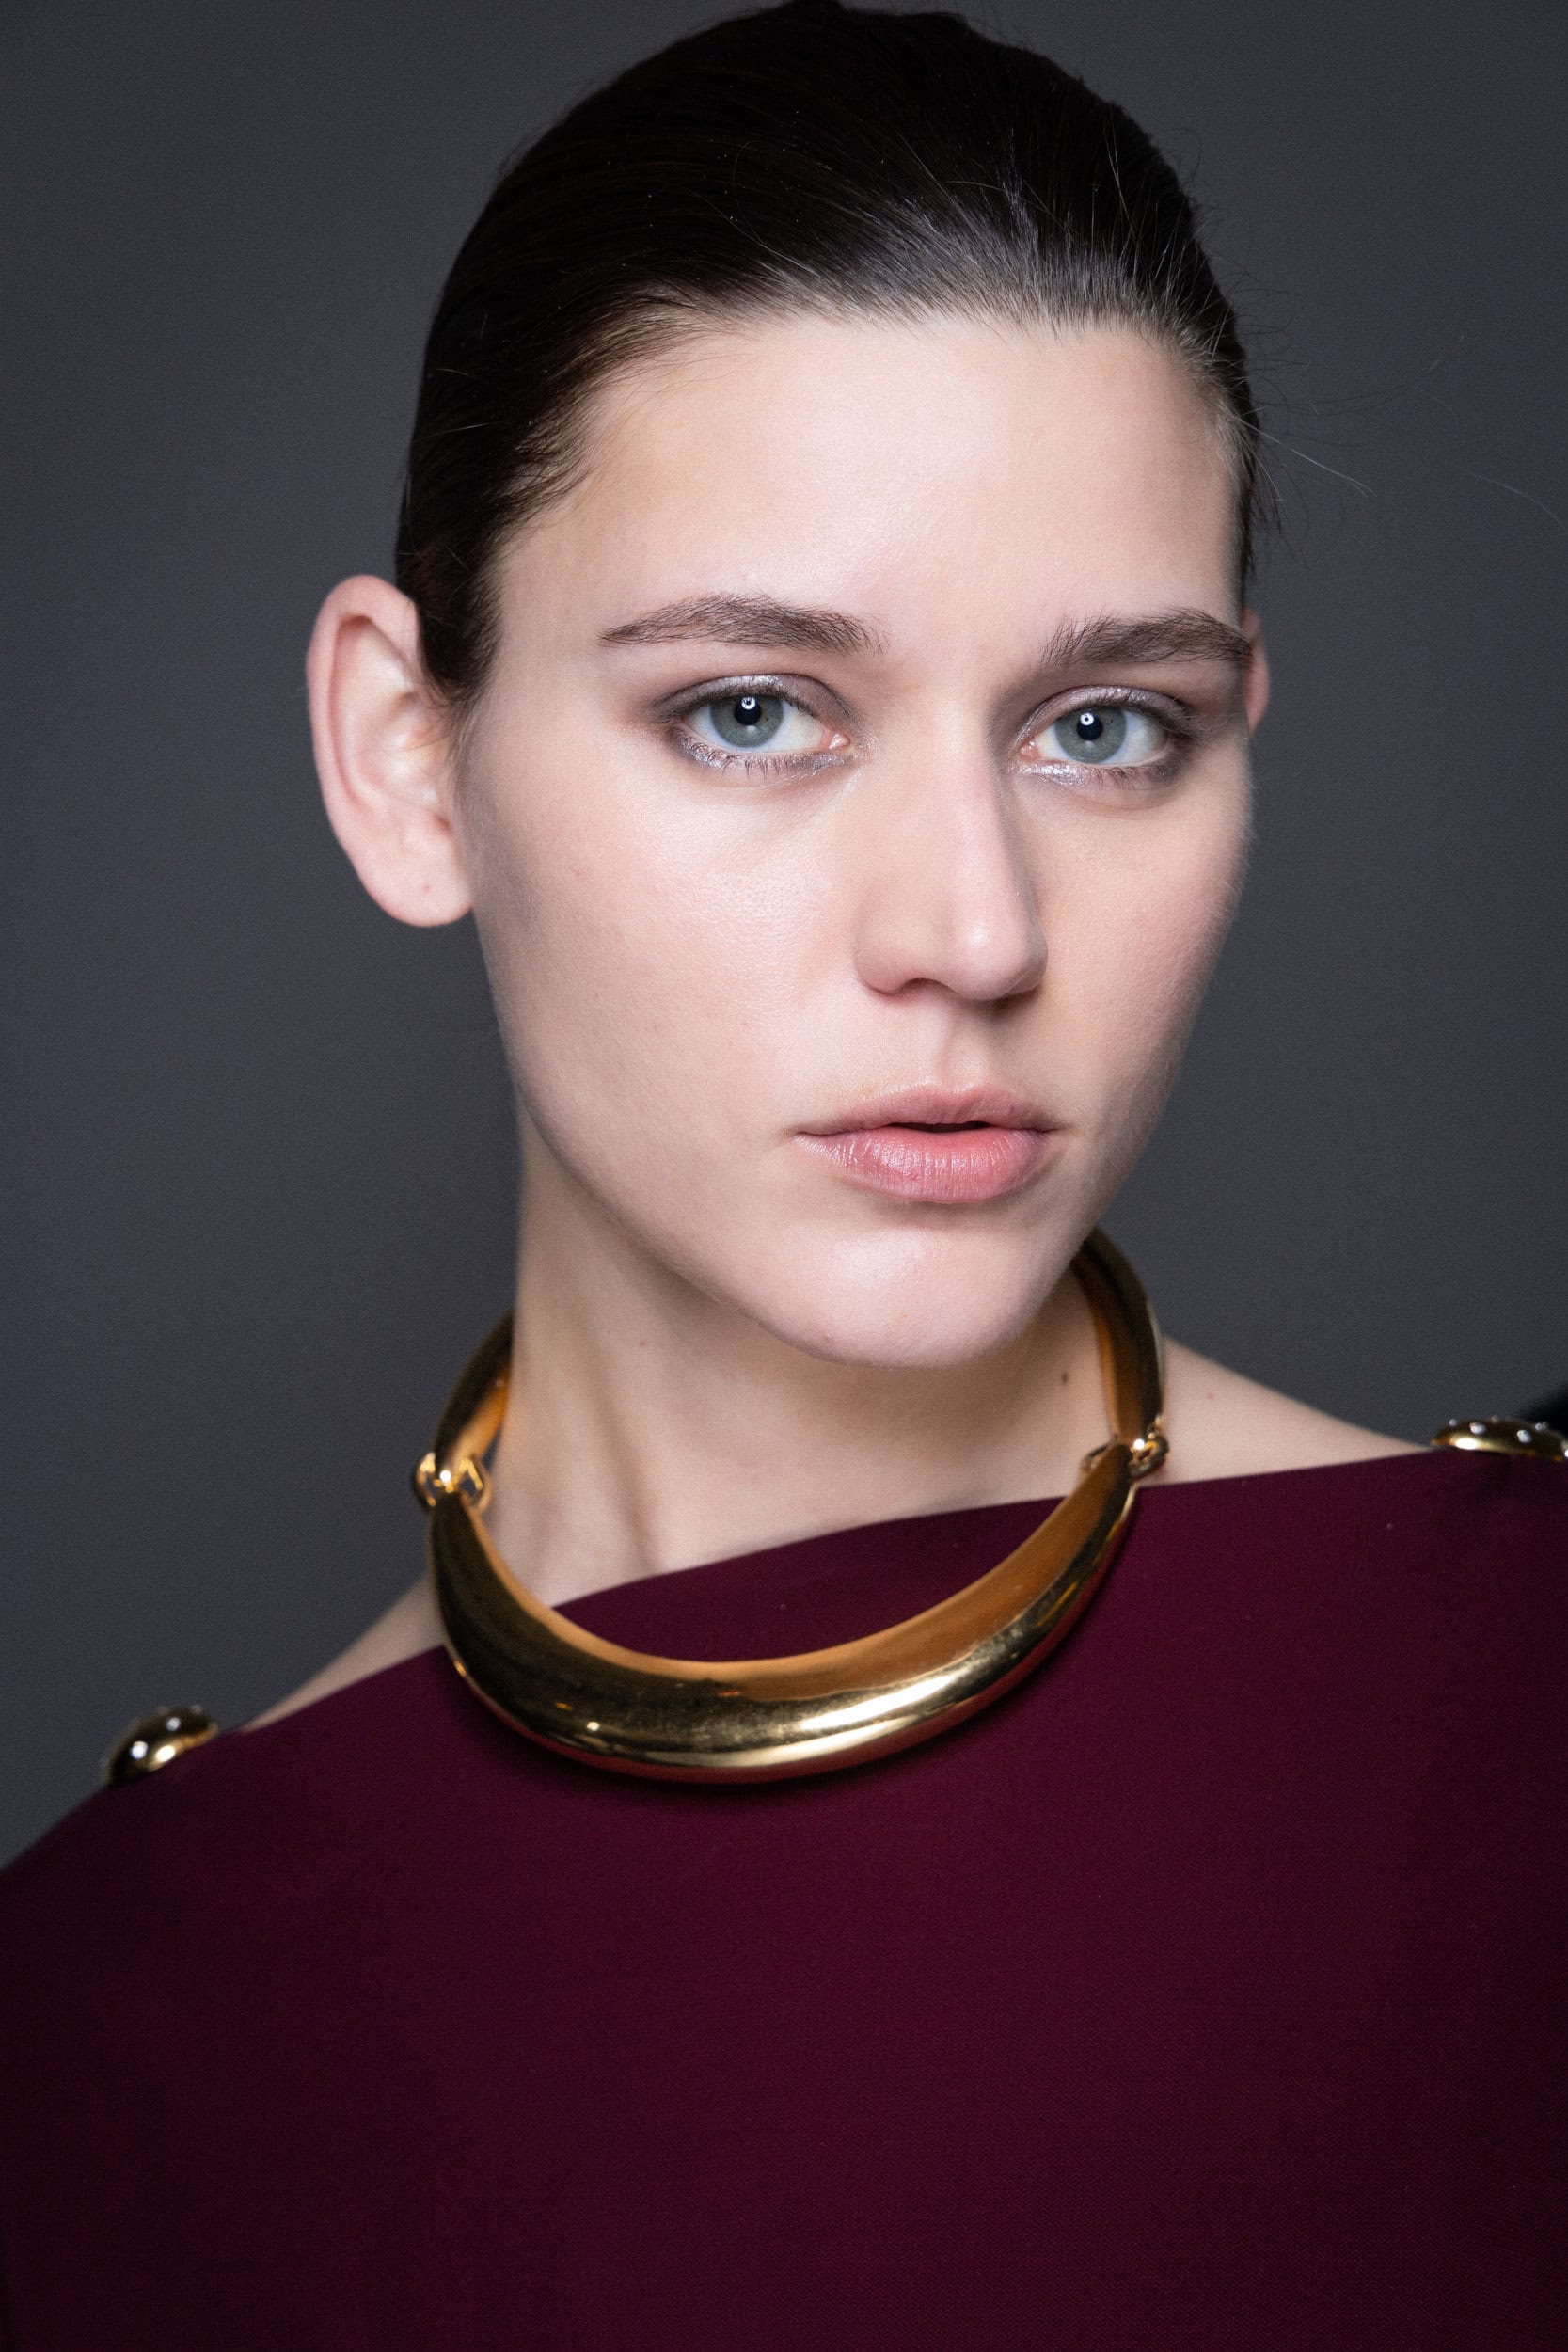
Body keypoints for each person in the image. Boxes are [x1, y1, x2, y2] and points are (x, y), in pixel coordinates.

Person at [1, 3, 1561, 2342]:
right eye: (752, 710)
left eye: (1106, 725)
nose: (974, 932)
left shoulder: (1519, 1691)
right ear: (408, 758)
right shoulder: (96, 2036)